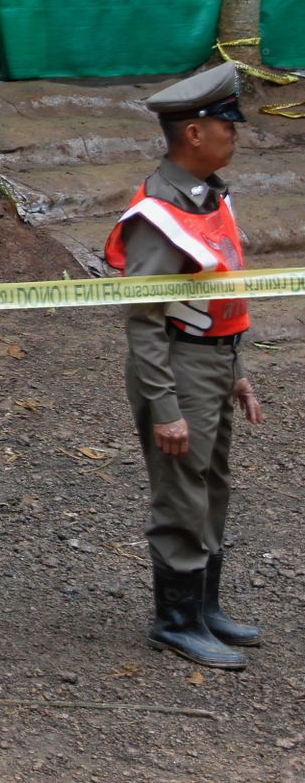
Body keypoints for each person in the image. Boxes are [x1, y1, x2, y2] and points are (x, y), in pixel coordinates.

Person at [104, 61, 265, 671]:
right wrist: (164, 406)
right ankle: (175, 620)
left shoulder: (210, 198)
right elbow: (143, 320)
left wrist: (237, 367)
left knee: (212, 486)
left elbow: (220, 296)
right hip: (177, 369)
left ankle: (205, 606)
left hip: (214, 364)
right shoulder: (157, 216)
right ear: (195, 133)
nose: (237, 134)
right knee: (181, 493)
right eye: (229, 124)